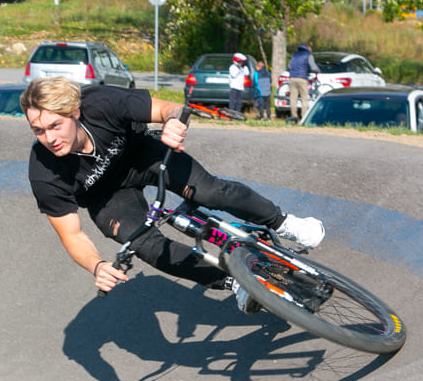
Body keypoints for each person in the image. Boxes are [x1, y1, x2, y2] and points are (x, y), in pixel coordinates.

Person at [20, 77, 325, 314]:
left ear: (75, 112)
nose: (49, 139)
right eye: (38, 131)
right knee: (143, 245)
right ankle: (236, 282)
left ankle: (285, 223)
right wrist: (97, 266)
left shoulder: (101, 102)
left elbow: (170, 108)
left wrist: (172, 124)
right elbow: (71, 234)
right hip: (107, 197)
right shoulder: (44, 171)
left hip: (141, 155)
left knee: (209, 191)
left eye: (55, 125)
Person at [287, 43, 320, 122]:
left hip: (292, 78)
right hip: (302, 78)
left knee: (293, 98)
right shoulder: (308, 55)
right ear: (308, 49)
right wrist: (317, 70)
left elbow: (289, 66)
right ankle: (304, 116)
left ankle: (294, 116)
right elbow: (313, 67)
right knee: (304, 98)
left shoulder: (294, 55)